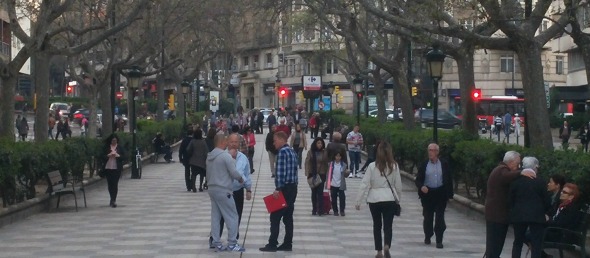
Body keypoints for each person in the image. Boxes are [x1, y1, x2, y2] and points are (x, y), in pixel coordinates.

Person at [484, 151, 536, 258]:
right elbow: (506, 176)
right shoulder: (501, 170)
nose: (518, 166)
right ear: (511, 162)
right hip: (497, 216)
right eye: (517, 164)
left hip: (497, 215)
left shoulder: (500, 169)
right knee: (494, 246)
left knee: (494, 246)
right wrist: (521, 173)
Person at [355, 141, 401, 258]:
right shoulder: (394, 166)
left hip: (374, 198)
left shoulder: (372, 166)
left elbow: (364, 184)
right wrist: (398, 199)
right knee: (388, 225)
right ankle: (387, 245)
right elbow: (398, 185)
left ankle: (379, 251)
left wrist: (358, 201)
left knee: (377, 225)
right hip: (389, 198)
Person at [209, 135, 253, 246]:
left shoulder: (243, 158)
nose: (233, 144)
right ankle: (225, 241)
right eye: (231, 141)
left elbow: (247, 173)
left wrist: (248, 189)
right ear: (227, 142)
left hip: (236, 191)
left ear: (239, 143)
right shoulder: (223, 156)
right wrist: (240, 178)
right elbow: (234, 173)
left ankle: (230, 238)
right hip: (226, 190)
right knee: (225, 217)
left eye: (236, 142)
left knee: (234, 215)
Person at [259, 131, 298, 252]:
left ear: (282, 139)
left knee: (275, 217)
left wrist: (278, 189)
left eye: (275, 140)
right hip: (293, 188)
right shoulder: (292, 151)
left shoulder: (282, 152)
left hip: (285, 188)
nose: (274, 143)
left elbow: (281, 172)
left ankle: (272, 244)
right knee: (288, 217)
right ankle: (287, 243)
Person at [509, 157, 551, 258]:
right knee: (536, 243)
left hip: (519, 215)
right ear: (536, 167)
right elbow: (546, 200)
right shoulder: (540, 182)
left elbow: (510, 199)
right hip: (536, 216)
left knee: (518, 241)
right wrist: (544, 211)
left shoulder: (516, 181)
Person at [415, 143, 454, 249]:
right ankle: (428, 234)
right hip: (428, 194)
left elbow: (448, 179)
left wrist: (450, 195)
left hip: (440, 193)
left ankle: (439, 240)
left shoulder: (444, 164)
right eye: (429, 150)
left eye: (432, 150)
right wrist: (422, 186)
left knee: (440, 218)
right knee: (428, 217)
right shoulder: (424, 164)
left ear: (437, 152)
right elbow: (418, 179)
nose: (430, 152)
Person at [305, 137, 329, 216]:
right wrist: (307, 173)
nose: (320, 145)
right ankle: (314, 209)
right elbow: (307, 162)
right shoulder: (311, 152)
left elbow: (327, 163)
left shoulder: (324, 152)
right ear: (315, 144)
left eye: (321, 143)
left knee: (320, 193)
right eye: (318, 143)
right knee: (313, 193)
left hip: (321, 174)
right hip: (313, 174)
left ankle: (320, 210)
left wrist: (327, 173)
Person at [101, 134, 125, 208]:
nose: (114, 141)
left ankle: (113, 200)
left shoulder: (120, 147)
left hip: (116, 168)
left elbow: (125, 157)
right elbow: (101, 156)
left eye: (115, 140)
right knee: (110, 184)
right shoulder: (106, 147)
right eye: (113, 140)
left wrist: (118, 156)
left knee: (115, 184)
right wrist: (108, 155)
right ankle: (111, 198)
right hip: (108, 168)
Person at [326, 150, 349, 216]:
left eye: (339, 156)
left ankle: (342, 210)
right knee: (333, 198)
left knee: (342, 198)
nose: (338, 158)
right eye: (337, 156)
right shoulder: (331, 164)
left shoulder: (344, 165)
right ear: (334, 157)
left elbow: (345, 175)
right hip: (333, 183)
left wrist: (347, 173)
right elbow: (328, 174)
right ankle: (335, 210)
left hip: (340, 184)